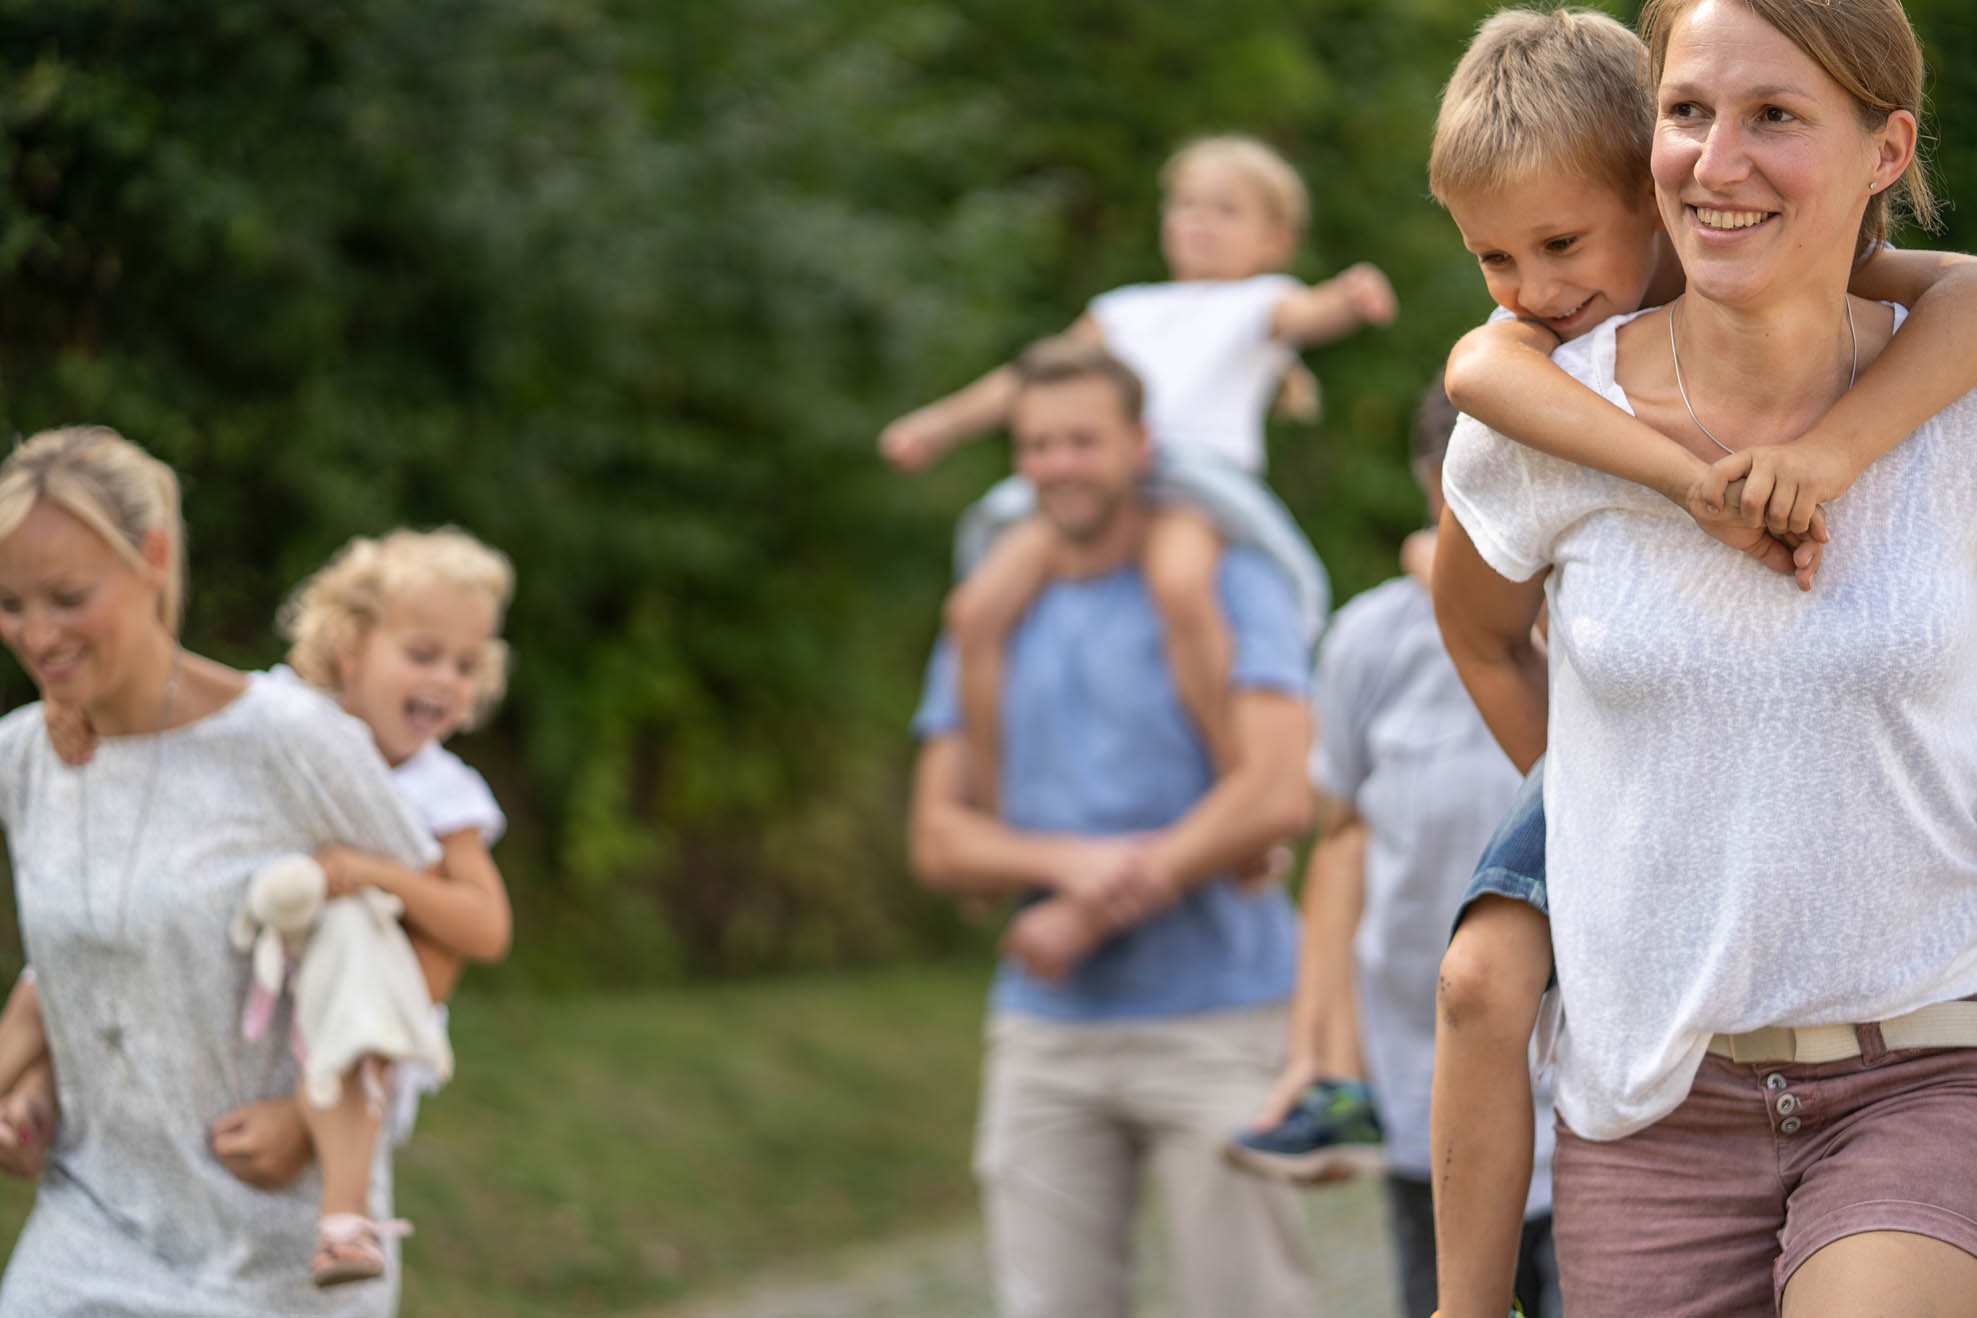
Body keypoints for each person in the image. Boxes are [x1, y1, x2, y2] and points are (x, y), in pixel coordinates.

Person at [1409, 9, 1977, 1314]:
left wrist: (1826, 461)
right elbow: (1482, 624)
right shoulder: (1546, 405)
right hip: (1654, 1098)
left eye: (1773, 115)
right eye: (1688, 112)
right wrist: (1603, 811)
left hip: (1926, 1066)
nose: (1717, 160)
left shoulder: (1942, 383)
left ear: (1884, 148)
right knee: (1480, 975)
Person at [906, 336, 1320, 1317]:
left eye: (1082, 441)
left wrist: (1092, 907)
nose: (1058, 465)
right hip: (1046, 1035)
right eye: (1038, 444)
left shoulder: (1231, 581)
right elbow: (937, 835)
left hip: (1221, 1019)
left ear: (1141, 443)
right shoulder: (993, 613)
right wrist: (1069, 864)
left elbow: (1276, 794)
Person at [0, 425, 439, 1315]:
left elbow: (437, 928)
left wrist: (309, 1127)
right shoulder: (20, 761)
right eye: (9, 603)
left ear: (153, 560)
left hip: (279, 1256)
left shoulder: (287, 739)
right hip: (90, 1231)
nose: (36, 633)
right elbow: (83, 956)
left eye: (68, 596)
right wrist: (27, 1088)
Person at [26, 524, 518, 1289]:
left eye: (466, 664)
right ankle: (23, 1088)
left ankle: (345, 1221)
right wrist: (79, 705)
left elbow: (482, 929)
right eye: (423, 655)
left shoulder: (440, 792)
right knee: (87, 926)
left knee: (356, 938)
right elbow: (183, 717)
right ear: (349, 647)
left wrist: (377, 873)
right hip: (218, 995)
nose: (448, 681)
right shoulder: (283, 722)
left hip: (355, 1050)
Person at [883, 133, 1392, 806]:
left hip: (1193, 483)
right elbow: (1028, 380)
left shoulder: (1260, 302)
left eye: (1224, 210)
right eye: (1184, 205)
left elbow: (1310, 313)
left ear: (1273, 240)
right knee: (974, 609)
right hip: (1108, 475)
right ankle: (987, 788)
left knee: (1181, 587)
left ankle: (1234, 776)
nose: (1198, 221)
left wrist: (1349, 298)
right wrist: (940, 424)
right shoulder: (1123, 310)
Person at [1226, 378, 1560, 1318]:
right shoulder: (1368, 640)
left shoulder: (1602, 618)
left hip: (1589, 1105)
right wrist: (1319, 1050)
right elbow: (1339, 851)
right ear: (1428, 483)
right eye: (1461, 493)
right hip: (1429, 1089)